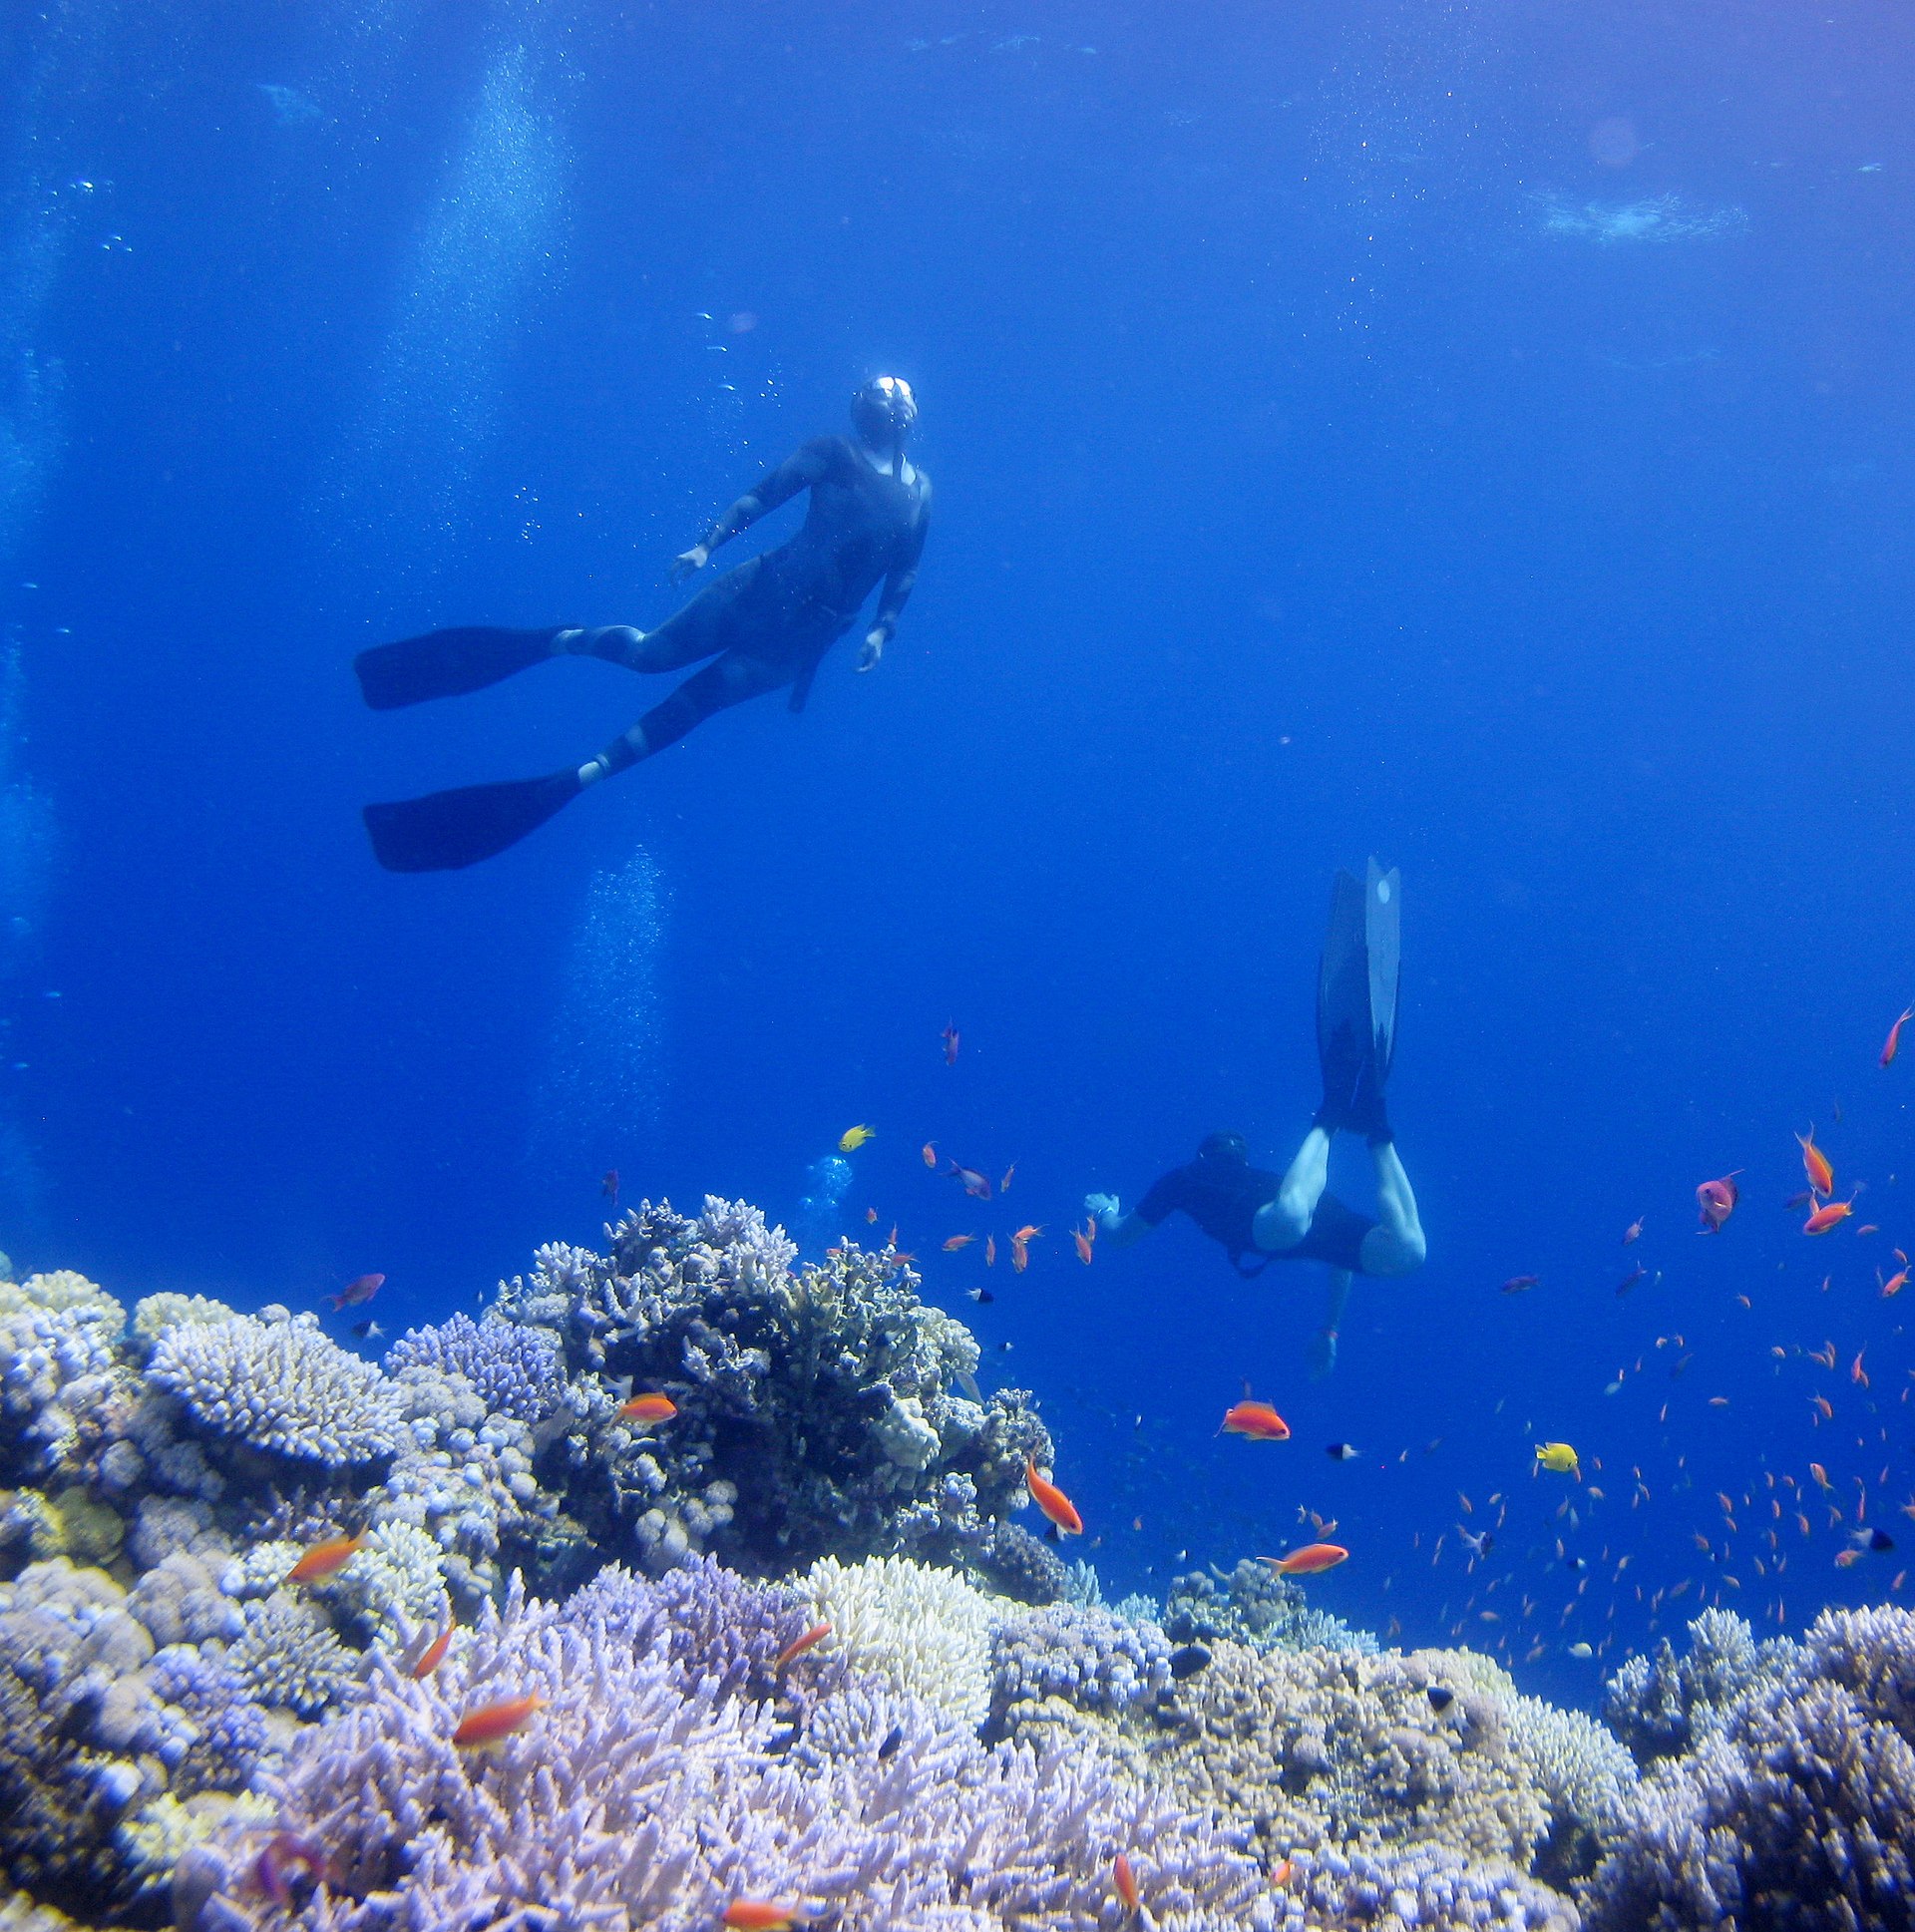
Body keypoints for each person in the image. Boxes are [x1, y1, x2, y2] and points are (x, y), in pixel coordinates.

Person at [355, 375, 931, 871]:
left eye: (885, 398)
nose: (882, 406)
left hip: (797, 642)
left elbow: (902, 571)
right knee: (649, 656)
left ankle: (585, 773)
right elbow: (765, 496)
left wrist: (883, 630)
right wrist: (705, 547)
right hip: (759, 593)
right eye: (877, 397)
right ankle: (561, 642)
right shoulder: (834, 452)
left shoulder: (919, 495)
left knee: (696, 702)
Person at [1085, 861, 1425, 1377]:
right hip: (1286, 1224)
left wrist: (1330, 1328)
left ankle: (1354, 1123)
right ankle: (1355, 1124)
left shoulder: (1202, 1178)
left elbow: (1121, 1235)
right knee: (1348, 1234)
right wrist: (1106, 1212)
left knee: (1371, 1242)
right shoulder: (1197, 1180)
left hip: (1295, 1225)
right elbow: (1121, 1235)